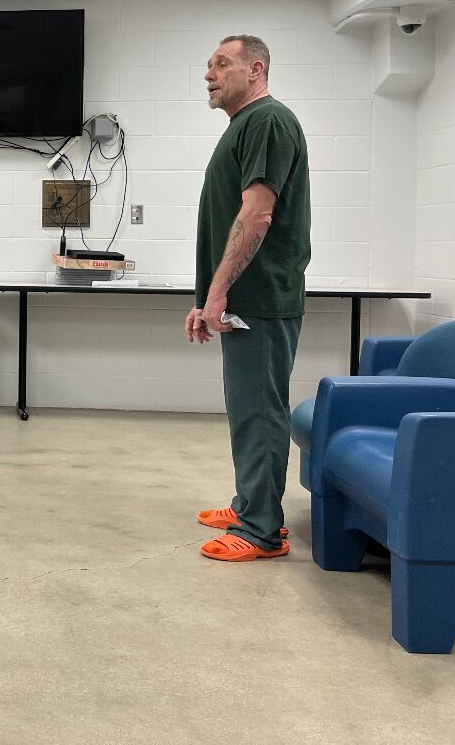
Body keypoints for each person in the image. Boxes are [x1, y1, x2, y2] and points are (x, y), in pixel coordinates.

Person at [185, 35, 311, 563]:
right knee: (247, 408)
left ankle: (261, 530)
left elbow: (257, 214)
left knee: (259, 410)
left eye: (222, 64)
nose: (209, 74)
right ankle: (250, 505)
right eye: (208, 65)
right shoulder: (246, 125)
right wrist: (210, 295)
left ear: (256, 69)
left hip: (259, 298)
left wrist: (217, 292)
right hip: (245, 298)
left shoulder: (268, 120)